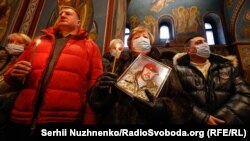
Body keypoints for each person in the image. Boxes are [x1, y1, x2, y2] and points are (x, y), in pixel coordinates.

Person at [3, 6, 103, 140]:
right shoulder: (38, 42)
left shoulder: (90, 47)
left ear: (79, 22)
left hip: (64, 118)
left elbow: (94, 86)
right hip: (24, 115)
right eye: (60, 13)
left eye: (68, 13)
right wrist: (14, 75)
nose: (62, 15)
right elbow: (10, 74)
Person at [89, 26, 193, 125]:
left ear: (150, 42)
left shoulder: (165, 66)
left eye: (145, 37)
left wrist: (163, 107)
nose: (141, 39)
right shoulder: (117, 64)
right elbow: (96, 103)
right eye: (136, 37)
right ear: (130, 44)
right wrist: (103, 91)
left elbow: (183, 103)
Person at [173, 35, 250, 125]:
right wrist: (202, 118)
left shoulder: (227, 67)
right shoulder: (178, 71)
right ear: (188, 50)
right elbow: (176, 98)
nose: (204, 44)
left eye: (205, 41)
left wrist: (222, 118)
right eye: (198, 43)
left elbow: (245, 94)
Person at [0, 33, 31, 140]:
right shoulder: (2, 55)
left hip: (7, 103)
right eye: (11, 42)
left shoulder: (27, 60)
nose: (13, 45)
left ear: (27, 45)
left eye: (18, 43)